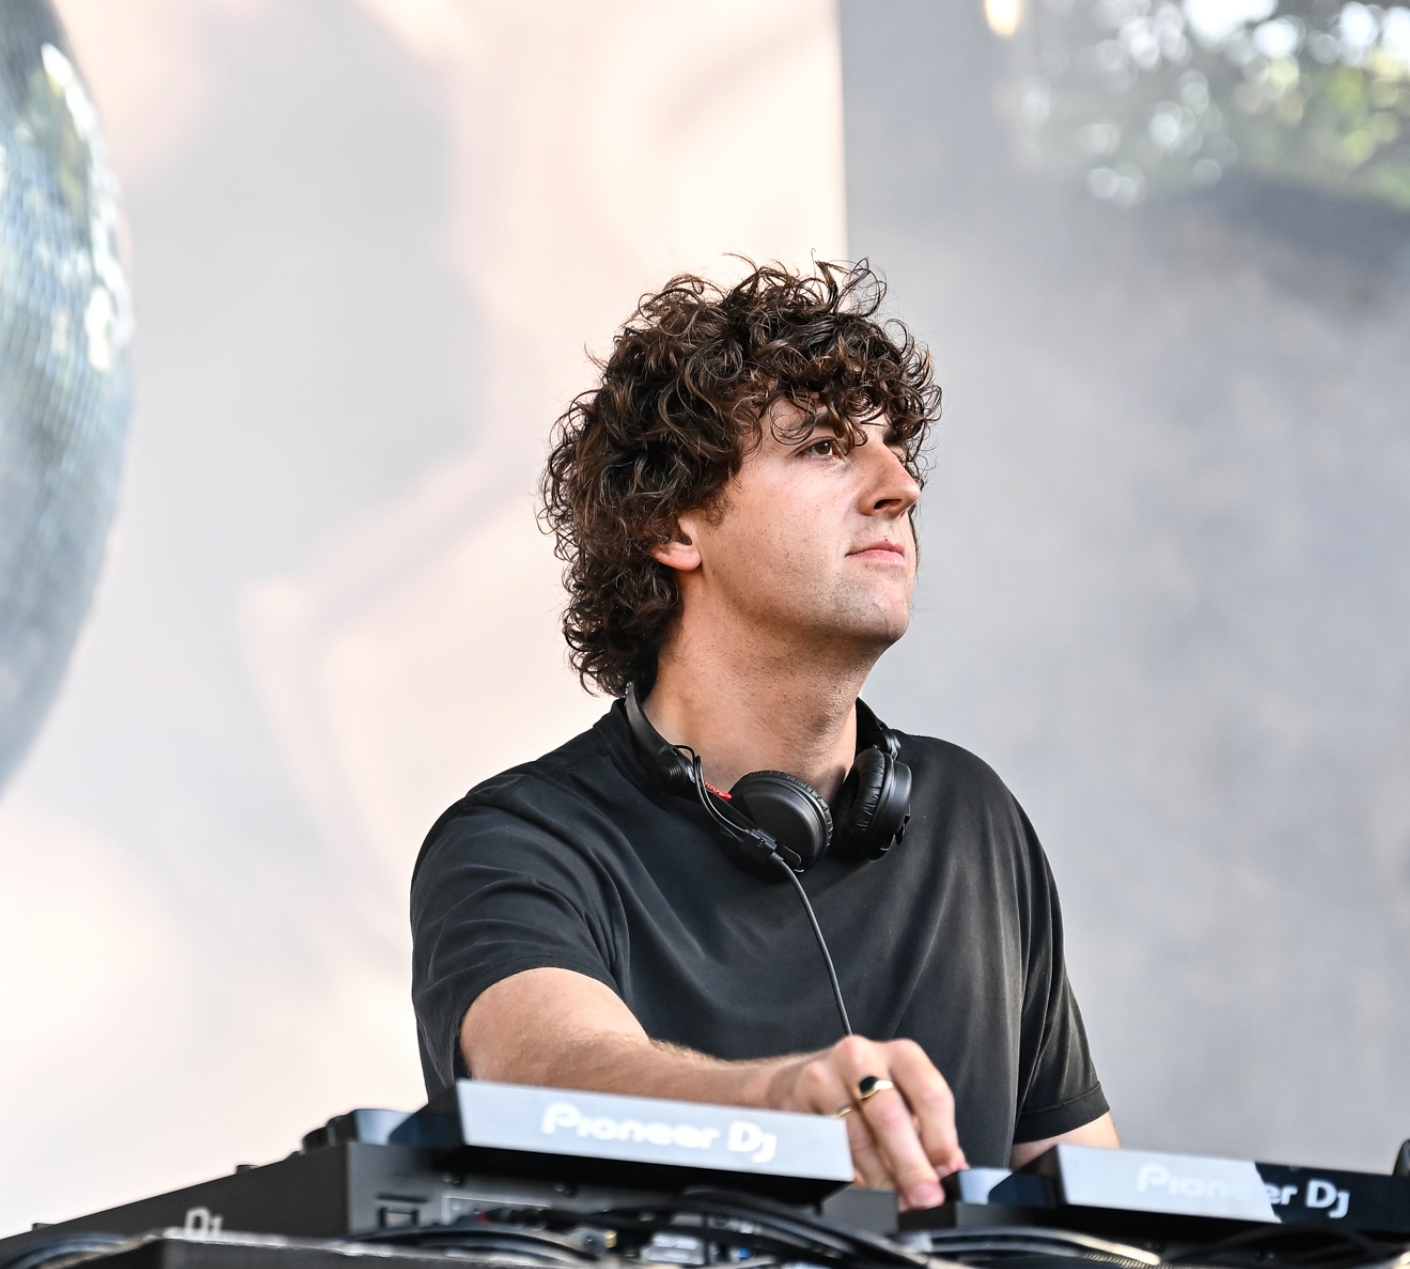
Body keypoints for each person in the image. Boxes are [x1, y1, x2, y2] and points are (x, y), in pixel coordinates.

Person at [410, 262, 1117, 1212]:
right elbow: (549, 1066)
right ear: (673, 525)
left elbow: (1098, 1205)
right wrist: (778, 1108)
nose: (899, 486)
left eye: (896, 448)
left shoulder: (972, 817)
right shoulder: (517, 841)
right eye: (826, 448)